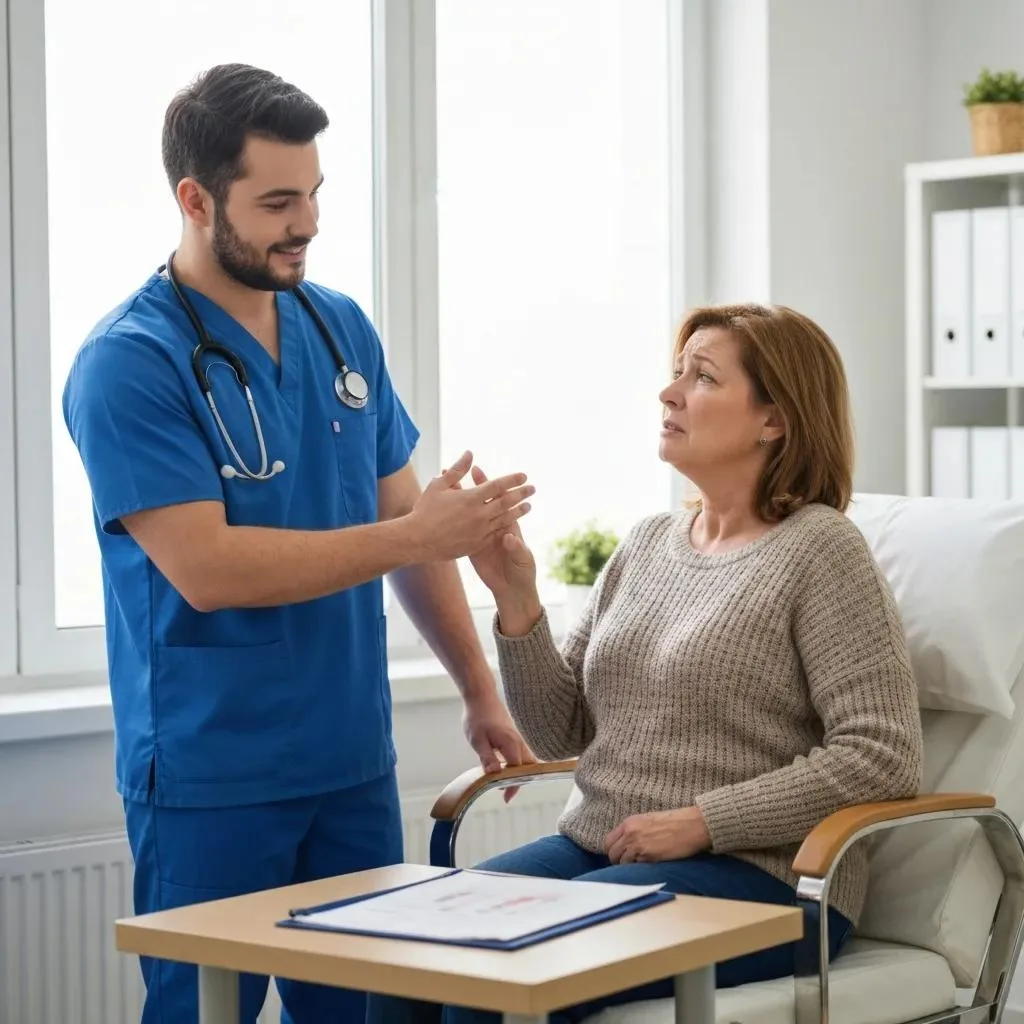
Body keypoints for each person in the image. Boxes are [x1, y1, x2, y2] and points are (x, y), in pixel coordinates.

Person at [61, 63, 536, 1024]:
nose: (307, 223)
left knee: (368, 1015)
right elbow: (208, 570)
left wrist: (480, 691)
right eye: (277, 203)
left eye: (314, 194)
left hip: (349, 762)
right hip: (211, 774)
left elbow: (414, 532)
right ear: (196, 200)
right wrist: (413, 531)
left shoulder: (340, 328)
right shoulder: (130, 363)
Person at [366, 303, 924, 1024]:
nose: (669, 393)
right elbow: (563, 731)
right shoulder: (648, 542)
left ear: (774, 419)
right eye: (675, 373)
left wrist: (703, 822)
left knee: (498, 980)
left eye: (703, 377)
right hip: (600, 851)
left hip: (767, 882)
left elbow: (883, 755)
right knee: (407, 949)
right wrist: (516, 599)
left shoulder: (821, 549)